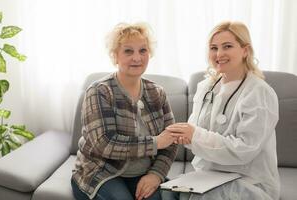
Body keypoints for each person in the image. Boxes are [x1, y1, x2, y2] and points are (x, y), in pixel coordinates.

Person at [165, 21, 280, 200]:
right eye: (213, 48)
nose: (219, 54)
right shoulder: (206, 87)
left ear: (245, 50)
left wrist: (194, 135)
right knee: (166, 194)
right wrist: (183, 136)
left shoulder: (259, 93)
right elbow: (193, 132)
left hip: (249, 180)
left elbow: (244, 150)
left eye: (227, 46)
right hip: (207, 176)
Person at [71, 22, 178, 200]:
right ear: (115, 56)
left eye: (143, 51)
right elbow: (104, 144)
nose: (137, 58)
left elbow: (171, 141)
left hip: (143, 172)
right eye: (128, 51)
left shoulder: (157, 92)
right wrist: (155, 143)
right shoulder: (100, 91)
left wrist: (156, 175)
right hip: (101, 172)